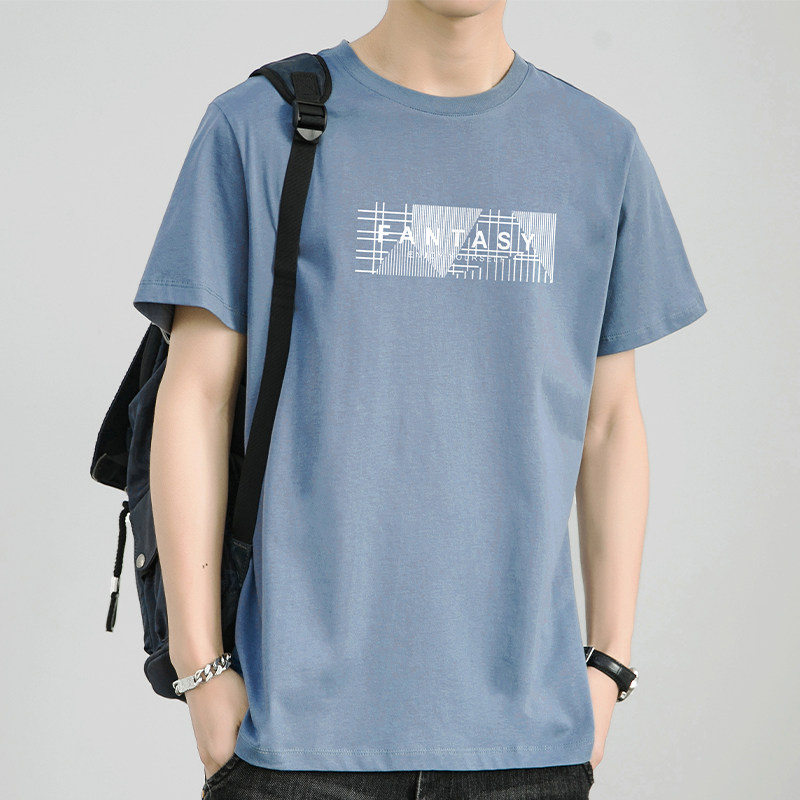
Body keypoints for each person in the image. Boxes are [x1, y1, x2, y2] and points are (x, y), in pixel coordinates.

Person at [132, 1, 707, 798]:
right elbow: (195, 399)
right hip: (294, 738)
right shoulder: (258, 127)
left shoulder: (598, 148)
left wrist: (608, 664)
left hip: (527, 742)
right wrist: (200, 669)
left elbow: (609, 423)